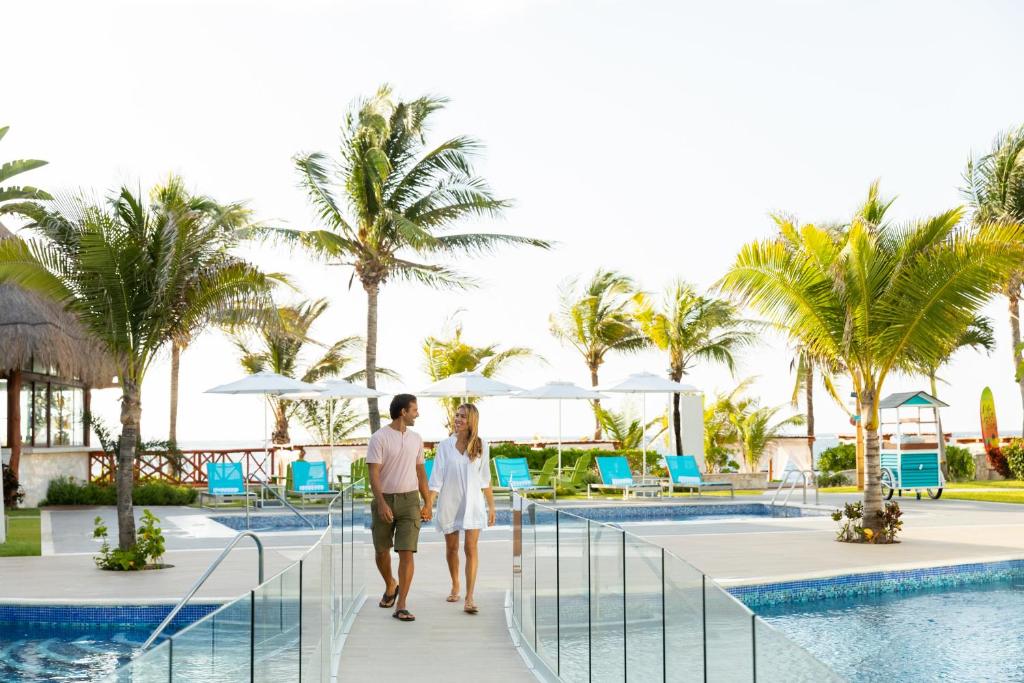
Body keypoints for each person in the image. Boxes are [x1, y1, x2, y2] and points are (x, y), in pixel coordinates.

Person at [366, 394, 432, 622]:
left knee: (407, 551)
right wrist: (382, 502)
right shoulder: (379, 438)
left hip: (410, 501)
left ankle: (401, 604)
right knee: (382, 550)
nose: (417, 414)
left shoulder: (416, 438)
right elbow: (373, 474)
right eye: (415, 410)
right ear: (403, 412)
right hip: (385, 500)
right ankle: (390, 584)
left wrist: (428, 502)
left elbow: (421, 472)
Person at [428, 403, 496, 615]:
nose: (457, 419)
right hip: (449, 502)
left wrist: (491, 506)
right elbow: (436, 479)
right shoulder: (444, 446)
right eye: (457, 415)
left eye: (462, 416)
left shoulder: (481, 445)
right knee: (452, 548)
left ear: (472, 420)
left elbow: (485, 479)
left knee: (471, 549)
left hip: (473, 504)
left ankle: (469, 596)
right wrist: (428, 504)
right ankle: (455, 583)